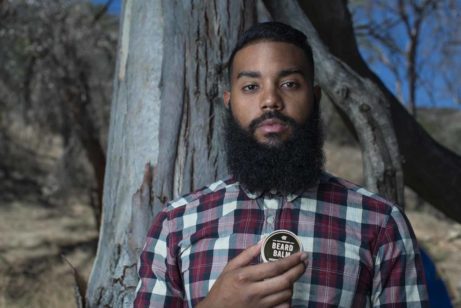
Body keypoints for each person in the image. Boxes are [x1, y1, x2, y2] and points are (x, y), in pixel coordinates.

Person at [134, 22, 428, 307]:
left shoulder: (381, 223)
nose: (270, 100)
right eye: (250, 86)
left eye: (289, 84)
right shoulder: (175, 225)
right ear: (229, 102)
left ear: (314, 98)